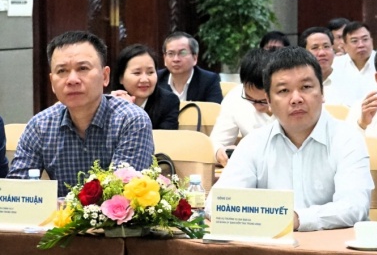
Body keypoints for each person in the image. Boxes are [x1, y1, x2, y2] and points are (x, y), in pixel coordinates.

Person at [212, 47, 373, 231]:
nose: (296, 99)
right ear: (268, 101)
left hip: (331, 247)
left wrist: (294, 219)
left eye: (306, 87)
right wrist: (267, 218)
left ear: (322, 93)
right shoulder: (253, 143)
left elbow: (354, 206)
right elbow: (217, 203)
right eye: (284, 90)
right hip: (268, 246)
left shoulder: (347, 139)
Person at [10, 31, 155, 195]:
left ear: (105, 76)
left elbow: (121, 198)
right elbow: (15, 194)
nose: (72, 79)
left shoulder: (131, 121)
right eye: (62, 71)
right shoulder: (39, 126)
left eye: (83, 68)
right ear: (52, 82)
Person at [210, 49, 274, 166]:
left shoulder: (288, 99)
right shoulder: (235, 97)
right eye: (250, 99)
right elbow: (216, 142)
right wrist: (219, 152)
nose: (257, 107)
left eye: (264, 101)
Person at [111, 44, 179, 129]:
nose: (144, 79)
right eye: (137, 73)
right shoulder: (110, 103)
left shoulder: (169, 102)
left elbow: (164, 136)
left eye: (150, 72)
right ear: (121, 78)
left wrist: (131, 111)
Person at [156, 31, 223, 103]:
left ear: (195, 58)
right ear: (164, 58)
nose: (176, 59)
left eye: (183, 53)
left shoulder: (209, 80)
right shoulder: (156, 79)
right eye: (170, 53)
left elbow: (214, 108)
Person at [299, 26, 353, 106]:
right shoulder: (297, 83)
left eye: (326, 47)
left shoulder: (350, 81)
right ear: (304, 53)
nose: (322, 53)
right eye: (315, 48)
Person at [332, 22, 377, 103]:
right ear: (345, 46)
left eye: (365, 39)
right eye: (354, 41)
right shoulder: (335, 65)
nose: (361, 45)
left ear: (371, 41)